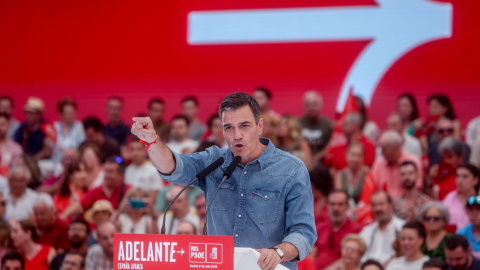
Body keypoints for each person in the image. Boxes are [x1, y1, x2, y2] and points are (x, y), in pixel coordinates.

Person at [131, 92, 316, 270]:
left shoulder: (292, 169)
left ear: (260, 126)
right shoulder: (214, 161)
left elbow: (304, 232)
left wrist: (278, 252)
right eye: (229, 127)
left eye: (244, 126)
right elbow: (173, 167)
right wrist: (152, 141)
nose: (237, 135)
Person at [59, 156, 131, 220]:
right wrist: (62, 217)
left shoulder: (128, 191)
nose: (106, 175)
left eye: (110, 172)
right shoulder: (96, 190)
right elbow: (80, 206)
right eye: (105, 171)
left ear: (121, 175)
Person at [313, 190, 362, 269]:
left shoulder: (356, 230)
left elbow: (349, 259)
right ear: (327, 206)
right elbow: (311, 254)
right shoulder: (320, 227)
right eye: (332, 204)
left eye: (340, 204)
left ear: (347, 206)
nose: (336, 208)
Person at [371, 130, 423, 198]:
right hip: (383, 205)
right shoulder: (379, 163)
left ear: (396, 148)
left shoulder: (413, 161)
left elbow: (418, 186)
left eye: (384, 149)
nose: (381, 153)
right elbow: (373, 187)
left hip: (407, 203)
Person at [360, 191, 405, 265]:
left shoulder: (402, 227)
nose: (377, 209)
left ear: (390, 205)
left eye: (381, 204)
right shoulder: (367, 230)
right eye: (374, 205)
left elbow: (403, 254)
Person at [334, 143, 375, 209]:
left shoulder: (369, 174)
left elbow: (369, 198)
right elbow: (339, 197)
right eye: (352, 155)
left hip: (364, 210)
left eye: (359, 155)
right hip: (345, 211)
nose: (355, 159)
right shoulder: (340, 175)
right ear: (346, 155)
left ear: (363, 157)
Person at [443, 164, 480, 230]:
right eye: (457, 176)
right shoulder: (450, 197)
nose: (460, 180)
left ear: (475, 180)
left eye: (465, 176)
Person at [299, 90, 333, 161]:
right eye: (308, 105)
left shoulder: (328, 125)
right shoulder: (298, 123)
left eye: (314, 104)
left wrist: (315, 158)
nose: (311, 108)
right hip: (300, 159)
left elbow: (329, 147)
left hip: (320, 161)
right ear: (304, 106)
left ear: (320, 105)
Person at [53, 98, 85, 162]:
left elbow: (83, 147)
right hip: (56, 162)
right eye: (68, 113)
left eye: (72, 112)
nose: (71, 116)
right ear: (61, 114)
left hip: (74, 163)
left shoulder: (80, 127)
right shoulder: (54, 127)